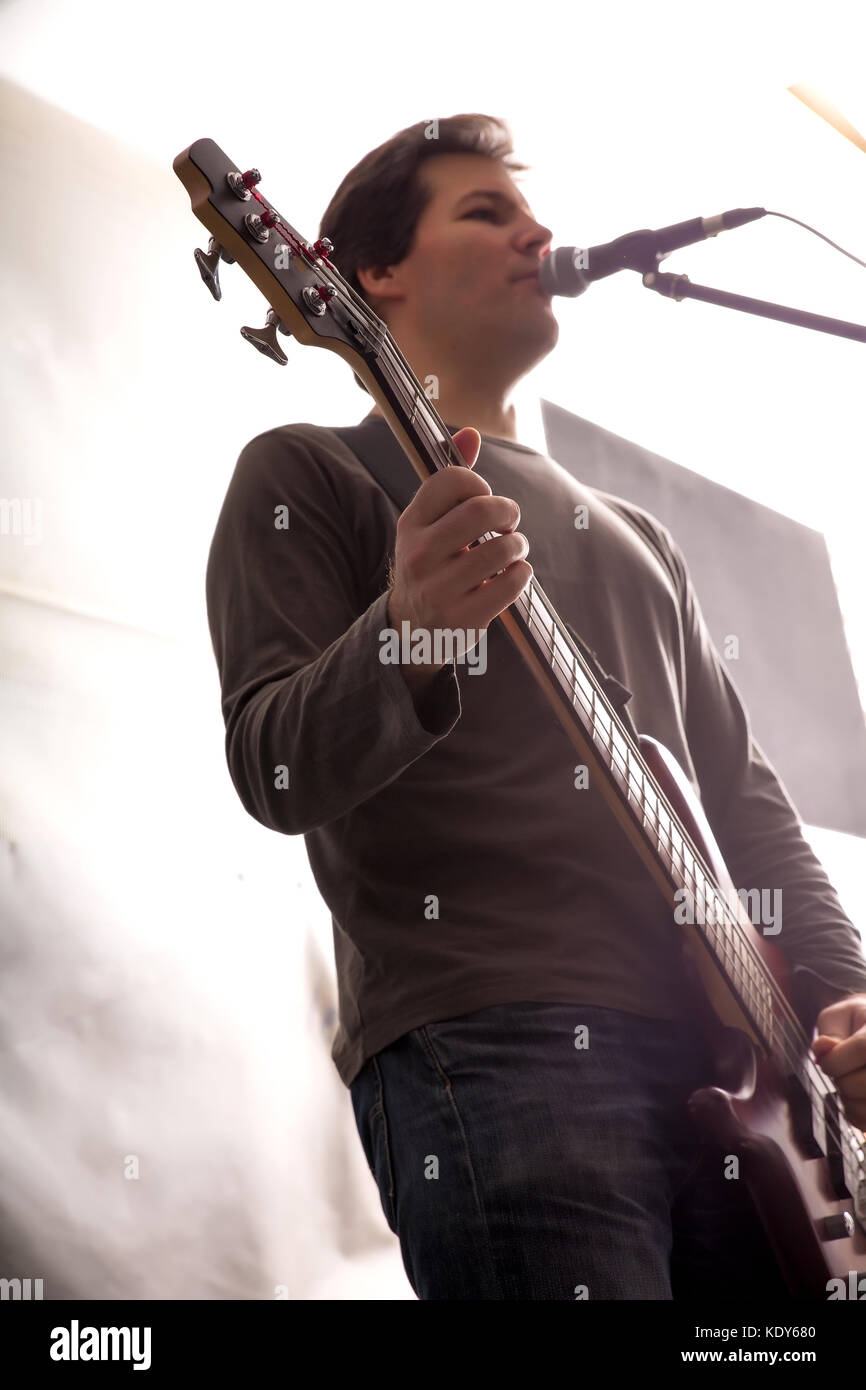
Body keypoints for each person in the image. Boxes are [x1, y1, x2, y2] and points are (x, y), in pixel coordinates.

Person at [205, 113, 866, 1300]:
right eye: (484, 212)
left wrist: (839, 993)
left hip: (753, 1079)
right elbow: (274, 769)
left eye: (527, 211)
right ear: (370, 277)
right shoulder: (311, 472)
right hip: (500, 1045)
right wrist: (409, 632)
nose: (538, 232)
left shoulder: (639, 537)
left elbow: (746, 806)